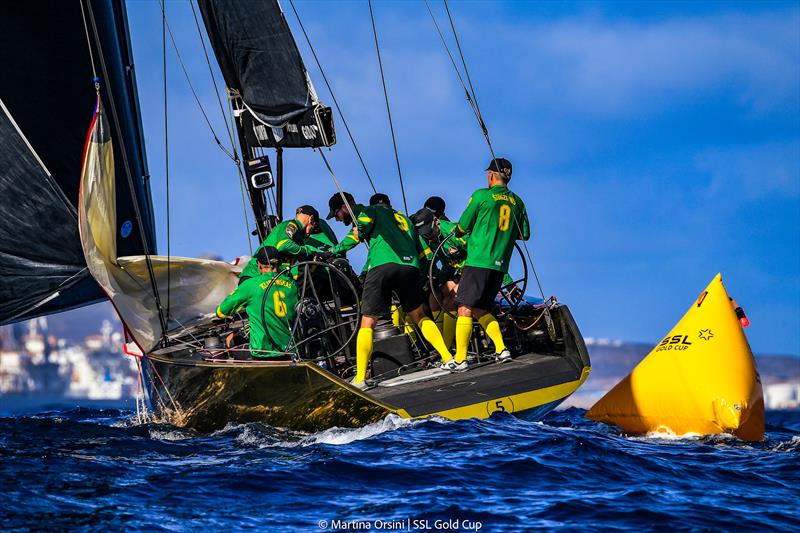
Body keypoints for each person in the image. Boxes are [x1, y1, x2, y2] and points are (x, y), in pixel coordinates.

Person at [325, 191, 454, 387]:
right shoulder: (403, 216)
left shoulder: (369, 211)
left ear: (344, 207)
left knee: (367, 322)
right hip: (410, 267)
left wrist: (333, 251)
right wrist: (427, 276)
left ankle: (360, 379)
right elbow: (422, 251)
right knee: (419, 315)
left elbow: (357, 233)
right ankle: (448, 358)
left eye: (337, 214)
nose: (337, 219)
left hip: (382, 267)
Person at [450, 157, 530, 371]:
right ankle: (502, 349)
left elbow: (462, 227)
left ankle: (459, 360)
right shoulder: (519, 202)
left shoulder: (481, 196)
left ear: (492, 175)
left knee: (464, 308)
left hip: (478, 261)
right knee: (480, 309)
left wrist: (458, 234)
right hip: (500, 266)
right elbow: (525, 234)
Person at [216, 246, 299, 359]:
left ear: (259, 265)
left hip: (263, 353)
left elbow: (221, 312)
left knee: (230, 339)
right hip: (291, 351)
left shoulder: (250, 285)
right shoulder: (293, 285)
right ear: (279, 263)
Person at [411, 206, 467, 350]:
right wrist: (436, 280)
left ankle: (447, 349)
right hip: (458, 275)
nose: (428, 237)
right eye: (424, 235)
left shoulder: (453, 232)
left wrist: (507, 282)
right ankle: (442, 344)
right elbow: (448, 265)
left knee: (450, 301)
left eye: (429, 232)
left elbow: (480, 253)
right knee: (434, 296)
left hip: (473, 272)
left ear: (436, 221)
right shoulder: (433, 240)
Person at [239, 205, 322, 283]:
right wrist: (308, 251)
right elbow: (284, 245)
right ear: (311, 219)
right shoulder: (292, 225)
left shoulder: (297, 238)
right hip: (254, 276)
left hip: (261, 277)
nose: (312, 231)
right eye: (314, 226)